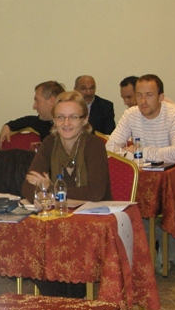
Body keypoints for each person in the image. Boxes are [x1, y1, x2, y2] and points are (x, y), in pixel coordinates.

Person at [105, 74, 175, 271]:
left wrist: (140, 152)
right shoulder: (131, 115)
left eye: (149, 95)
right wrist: (137, 154)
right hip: (145, 180)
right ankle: (163, 249)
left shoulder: (174, 114)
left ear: (161, 97)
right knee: (132, 211)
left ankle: (167, 246)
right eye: (139, 95)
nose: (143, 101)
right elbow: (110, 148)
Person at [21, 90, 111, 298]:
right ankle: (61, 299)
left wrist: (51, 190)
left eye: (73, 117)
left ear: (84, 120)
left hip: (92, 221)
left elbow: (95, 192)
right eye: (61, 117)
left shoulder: (94, 145)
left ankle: (72, 297)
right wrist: (48, 195)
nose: (66, 123)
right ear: (53, 120)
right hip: (58, 218)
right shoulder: (49, 143)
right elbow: (28, 186)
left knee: (65, 246)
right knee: (28, 244)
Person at [0, 81, 64, 147]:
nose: (34, 106)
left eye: (37, 100)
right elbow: (29, 120)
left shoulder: (66, 128)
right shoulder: (43, 123)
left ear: (52, 101)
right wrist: (8, 126)